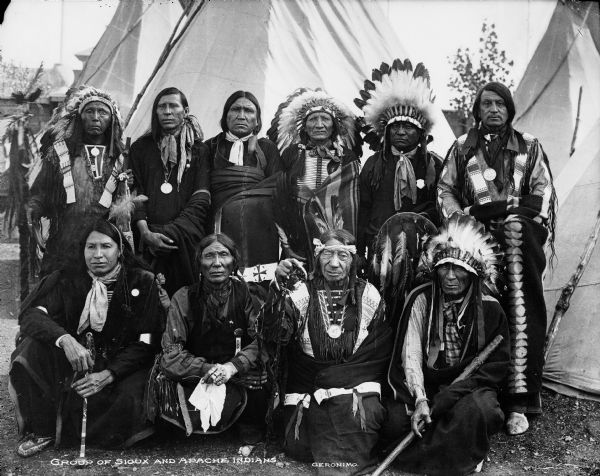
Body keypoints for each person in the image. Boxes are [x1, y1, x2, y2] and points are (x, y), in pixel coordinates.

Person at [437, 81, 557, 435]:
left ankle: (520, 400)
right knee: (474, 304)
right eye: (486, 104)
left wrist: (515, 215)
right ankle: (473, 391)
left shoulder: (529, 147)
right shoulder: (461, 148)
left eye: (500, 105)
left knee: (521, 304)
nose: (493, 110)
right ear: (476, 111)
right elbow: (446, 189)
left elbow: (543, 192)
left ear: (509, 110)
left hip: (519, 238)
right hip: (474, 239)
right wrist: (463, 220)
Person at [9, 219, 165, 457]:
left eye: (106, 246)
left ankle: (88, 432)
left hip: (119, 365)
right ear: (82, 250)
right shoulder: (66, 279)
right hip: (74, 360)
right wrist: (65, 339)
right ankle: (44, 429)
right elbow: (31, 315)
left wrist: (108, 375)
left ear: (120, 249)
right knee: (31, 348)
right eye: (91, 247)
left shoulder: (141, 281)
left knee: (131, 400)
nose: (98, 255)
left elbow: (146, 342)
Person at [384, 214, 510, 475]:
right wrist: (420, 398)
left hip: (468, 387)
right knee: (395, 421)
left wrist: (452, 394)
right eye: (444, 267)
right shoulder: (421, 299)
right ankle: (455, 451)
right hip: (426, 384)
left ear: (473, 274)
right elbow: (411, 354)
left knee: (478, 411)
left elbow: (494, 370)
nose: (450, 276)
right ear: (435, 269)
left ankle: (438, 456)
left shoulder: (490, 308)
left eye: (459, 269)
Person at [261, 229, 393, 475]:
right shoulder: (301, 292)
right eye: (327, 255)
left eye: (342, 256)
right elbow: (275, 336)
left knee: (359, 415)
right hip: (308, 384)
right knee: (298, 441)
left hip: (355, 382)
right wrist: (279, 289)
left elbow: (378, 350)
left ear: (353, 260)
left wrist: (339, 377)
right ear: (316, 258)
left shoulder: (370, 294)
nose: (334, 263)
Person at [147, 233, 267, 444]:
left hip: (238, 375)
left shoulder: (248, 294)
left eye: (224, 255)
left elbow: (262, 341)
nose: (217, 263)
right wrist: (208, 370)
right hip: (197, 376)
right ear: (199, 263)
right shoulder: (183, 297)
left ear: (234, 262)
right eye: (209, 256)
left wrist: (232, 367)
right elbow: (171, 354)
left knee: (259, 383)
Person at [29, 86, 128, 275]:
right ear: (79, 117)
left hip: (104, 240)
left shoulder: (121, 157)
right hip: (65, 236)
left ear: (112, 119)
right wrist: (35, 214)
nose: (96, 117)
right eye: (89, 111)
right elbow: (40, 192)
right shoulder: (60, 152)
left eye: (102, 112)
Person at [354, 59, 443, 257]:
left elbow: (442, 207)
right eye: (395, 126)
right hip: (379, 248)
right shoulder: (373, 164)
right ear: (386, 131)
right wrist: (360, 252)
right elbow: (363, 210)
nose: (401, 132)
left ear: (421, 133)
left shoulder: (433, 164)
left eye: (408, 126)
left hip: (422, 249)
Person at [130, 87, 210, 296]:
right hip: (148, 242)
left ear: (185, 110)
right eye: (161, 106)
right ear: (155, 112)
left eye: (173, 106)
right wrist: (146, 233)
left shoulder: (200, 150)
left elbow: (200, 199)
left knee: (186, 300)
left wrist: (168, 233)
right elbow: (135, 194)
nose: (167, 111)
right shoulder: (141, 148)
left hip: (186, 241)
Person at [268, 88, 361, 267]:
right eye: (312, 119)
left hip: (336, 236)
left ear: (334, 125)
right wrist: (286, 242)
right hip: (297, 234)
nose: (319, 125)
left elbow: (351, 202)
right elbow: (280, 195)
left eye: (325, 119)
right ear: (304, 125)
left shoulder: (347, 157)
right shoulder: (292, 153)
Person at [204, 91, 282, 285]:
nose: (241, 115)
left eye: (248, 110)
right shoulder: (209, 147)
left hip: (260, 228)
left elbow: (278, 187)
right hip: (219, 224)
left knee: (259, 286)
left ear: (257, 120)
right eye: (235, 109)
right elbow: (202, 189)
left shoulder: (268, 148)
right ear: (225, 116)